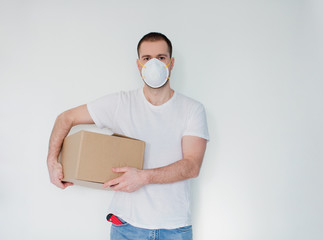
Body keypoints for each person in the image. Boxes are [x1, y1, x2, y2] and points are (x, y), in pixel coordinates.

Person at [47, 32, 209, 240]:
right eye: (146, 58)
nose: (154, 64)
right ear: (139, 64)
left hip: (175, 228)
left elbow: (192, 166)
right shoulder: (121, 104)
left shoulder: (192, 109)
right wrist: (52, 162)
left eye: (161, 58)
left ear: (171, 62)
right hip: (127, 227)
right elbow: (65, 118)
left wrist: (143, 177)